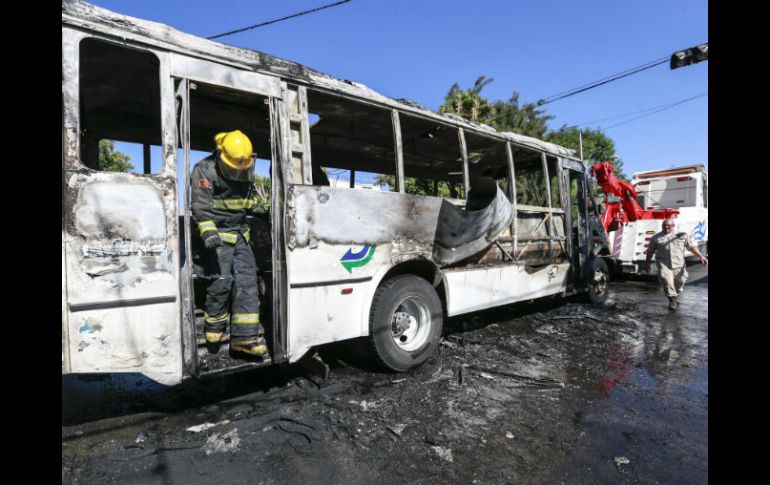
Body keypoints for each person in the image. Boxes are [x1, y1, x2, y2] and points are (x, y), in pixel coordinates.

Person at [191, 130, 268, 358]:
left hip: (240, 234)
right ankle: (213, 328)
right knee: (221, 281)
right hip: (217, 235)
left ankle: (244, 339)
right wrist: (208, 231)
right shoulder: (204, 169)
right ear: (219, 154)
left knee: (247, 283)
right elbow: (200, 207)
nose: (236, 171)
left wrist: (258, 211)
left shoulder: (245, 165)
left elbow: (248, 200)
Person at [644, 218, 708, 310]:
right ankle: (672, 300)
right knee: (667, 281)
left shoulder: (682, 236)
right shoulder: (656, 238)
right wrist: (647, 263)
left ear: (673, 226)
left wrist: (701, 256)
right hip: (664, 265)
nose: (666, 227)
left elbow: (691, 247)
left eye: (668, 225)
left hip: (679, 265)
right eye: (664, 225)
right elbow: (650, 251)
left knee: (680, 281)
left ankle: (674, 295)